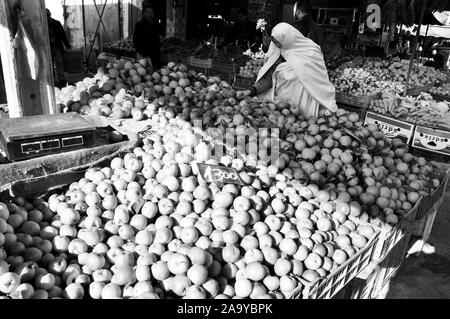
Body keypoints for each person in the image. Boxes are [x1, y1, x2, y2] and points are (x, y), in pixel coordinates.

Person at [242, 23, 338, 119]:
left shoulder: (311, 51)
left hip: (306, 107)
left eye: (278, 42)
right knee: (281, 128)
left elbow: (319, 80)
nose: (277, 45)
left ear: (288, 38)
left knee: (304, 128)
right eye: (274, 41)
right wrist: (251, 91)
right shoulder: (276, 51)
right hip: (282, 107)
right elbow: (268, 78)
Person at [46, 9, 71, 87]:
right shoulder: (42, 25)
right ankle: (52, 79)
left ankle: (62, 79)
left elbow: (63, 35)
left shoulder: (56, 23)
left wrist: (67, 46)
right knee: (50, 64)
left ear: (49, 15)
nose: (46, 17)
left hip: (57, 46)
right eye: (45, 16)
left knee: (59, 62)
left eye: (47, 15)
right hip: (48, 48)